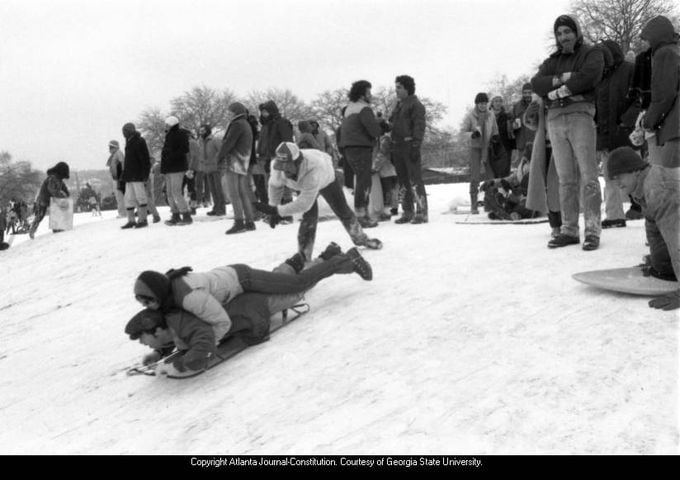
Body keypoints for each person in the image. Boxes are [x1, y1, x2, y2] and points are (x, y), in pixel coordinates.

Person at [125, 245, 354, 375]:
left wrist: (206, 346)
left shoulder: (188, 298)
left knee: (295, 288)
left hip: (240, 281)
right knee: (279, 282)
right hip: (236, 291)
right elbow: (175, 331)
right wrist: (161, 353)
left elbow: (220, 323)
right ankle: (309, 260)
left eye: (147, 302)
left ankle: (339, 262)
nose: (148, 307)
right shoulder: (169, 302)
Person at [531, 14, 604, 251]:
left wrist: (558, 91)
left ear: (576, 31)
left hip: (580, 115)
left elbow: (589, 77)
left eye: (567, 32)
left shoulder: (591, 53)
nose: (564, 37)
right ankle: (569, 229)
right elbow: (537, 84)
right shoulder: (553, 60)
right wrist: (566, 79)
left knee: (589, 176)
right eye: (559, 33)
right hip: (555, 118)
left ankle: (592, 229)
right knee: (565, 179)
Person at [254, 142, 383, 261]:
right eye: (281, 167)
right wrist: (273, 208)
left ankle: (361, 239)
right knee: (309, 218)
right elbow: (275, 186)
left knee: (342, 210)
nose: (284, 171)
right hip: (304, 183)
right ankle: (303, 256)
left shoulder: (315, 168)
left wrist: (278, 211)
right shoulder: (276, 167)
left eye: (287, 167)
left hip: (326, 179)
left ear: (297, 163)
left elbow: (305, 203)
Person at [607, 146, 679, 310]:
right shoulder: (644, 189)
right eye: (613, 178)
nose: (616, 182)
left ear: (635, 171)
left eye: (619, 175)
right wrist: (661, 266)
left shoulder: (658, 189)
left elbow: (676, 238)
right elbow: (655, 232)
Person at [595, 40, 639, 229]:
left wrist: (626, 121)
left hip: (627, 134)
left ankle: (644, 207)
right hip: (606, 135)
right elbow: (598, 107)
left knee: (635, 174)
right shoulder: (599, 78)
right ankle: (614, 215)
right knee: (609, 175)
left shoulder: (630, 69)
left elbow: (640, 98)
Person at [339, 80, 382, 228]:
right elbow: (374, 131)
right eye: (368, 92)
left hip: (348, 148)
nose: (370, 95)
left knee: (360, 181)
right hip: (361, 148)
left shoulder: (349, 108)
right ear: (362, 94)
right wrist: (383, 126)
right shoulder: (364, 109)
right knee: (364, 182)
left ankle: (361, 213)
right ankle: (362, 215)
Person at [389, 75, 428, 224]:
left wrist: (416, 145)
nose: (396, 90)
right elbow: (391, 124)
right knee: (403, 181)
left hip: (409, 145)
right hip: (397, 146)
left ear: (407, 88)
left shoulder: (416, 105)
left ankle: (421, 211)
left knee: (415, 180)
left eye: (399, 87)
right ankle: (408, 211)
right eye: (396, 87)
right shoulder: (398, 105)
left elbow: (419, 126)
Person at [219, 102, 256, 234]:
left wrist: (219, 157)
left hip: (234, 161)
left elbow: (229, 142)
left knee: (234, 193)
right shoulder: (245, 124)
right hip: (243, 161)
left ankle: (239, 221)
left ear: (235, 112)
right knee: (242, 191)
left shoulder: (237, 124)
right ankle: (250, 221)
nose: (228, 114)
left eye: (230, 112)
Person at [462, 92, 498, 214]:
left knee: (490, 175)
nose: (483, 106)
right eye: (480, 103)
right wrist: (472, 134)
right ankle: (474, 204)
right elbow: (462, 132)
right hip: (475, 148)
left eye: (485, 103)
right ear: (476, 104)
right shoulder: (470, 116)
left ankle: (490, 203)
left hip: (487, 147)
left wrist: (495, 137)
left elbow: (494, 129)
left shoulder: (491, 115)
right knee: (475, 176)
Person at [161, 116, 192, 225]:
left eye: (167, 124)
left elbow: (184, 149)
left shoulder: (181, 134)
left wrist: (172, 156)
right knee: (169, 193)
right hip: (169, 168)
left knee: (176, 192)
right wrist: (164, 168)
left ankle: (186, 215)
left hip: (177, 168)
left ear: (171, 124)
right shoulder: (168, 135)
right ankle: (175, 214)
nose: (165, 126)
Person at [120, 122, 151, 229]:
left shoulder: (139, 141)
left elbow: (145, 159)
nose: (124, 133)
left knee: (141, 197)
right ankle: (131, 220)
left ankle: (143, 219)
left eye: (126, 131)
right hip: (129, 176)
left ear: (130, 131)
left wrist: (145, 174)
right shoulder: (128, 142)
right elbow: (128, 161)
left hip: (138, 175)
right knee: (128, 198)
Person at [28, 162, 70, 239]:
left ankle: (57, 227)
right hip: (43, 199)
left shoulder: (59, 179)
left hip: (51, 199)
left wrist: (66, 193)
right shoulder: (52, 178)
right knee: (40, 216)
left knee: (58, 209)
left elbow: (63, 187)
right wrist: (61, 196)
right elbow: (51, 190)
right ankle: (32, 230)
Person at [199, 124, 226, 217]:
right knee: (213, 190)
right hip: (207, 169)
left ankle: (221, 208)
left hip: (216, 168)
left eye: (203, 131)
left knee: (218, 189)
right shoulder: (201, 142)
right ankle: (216, 207)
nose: (201, 133)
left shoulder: (215, 140)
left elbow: (222, 152)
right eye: (200, 131)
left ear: (207, 131)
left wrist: (219, 163)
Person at [510, 83, 536, 168]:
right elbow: (511, 122)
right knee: (522, 169)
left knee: (536, 168)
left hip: (536, 142)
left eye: (529, 92)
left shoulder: (538, 103)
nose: (527, 95)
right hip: (522, 144)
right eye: (525, 93)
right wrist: (513, 126)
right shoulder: (517, 106)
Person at [489, 95, 513, 178]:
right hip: (492, 148)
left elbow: (511, 131)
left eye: (500, 101)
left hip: (505, 147)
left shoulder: (507, 115)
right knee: (493, 172)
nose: (498, 103)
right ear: (492, 103)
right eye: (496, 101)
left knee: (504, 173)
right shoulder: (486, 116)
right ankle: (493, 190)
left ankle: (503, 190)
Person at [106, 140, 127, 218]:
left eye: (111, 147)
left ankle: (123, 213)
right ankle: (122, 212)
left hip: (119, 178)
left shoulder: (118, 153)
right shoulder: (114, 154)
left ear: (115, 147)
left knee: (120, 196)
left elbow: (123, 164)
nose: (109, 149)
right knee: (118, 196)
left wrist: (122, 176)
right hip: (116, 178)